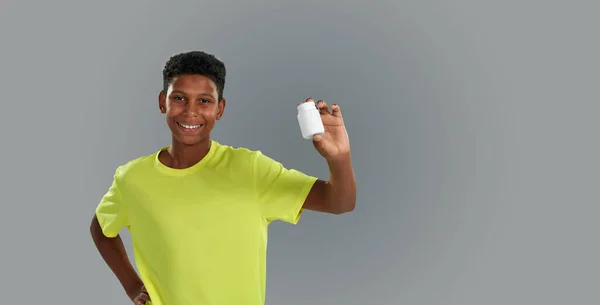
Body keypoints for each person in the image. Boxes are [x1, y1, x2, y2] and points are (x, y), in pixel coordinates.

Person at [90, 50, 356, 305]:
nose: (190, 111)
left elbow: (339, 203)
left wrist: (339, 158)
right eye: (179, 98)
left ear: (220, 108)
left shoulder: (250, 170)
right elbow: (101, 229)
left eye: (204, 101)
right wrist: (132, 285)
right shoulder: (132, 179)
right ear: (163, 102)